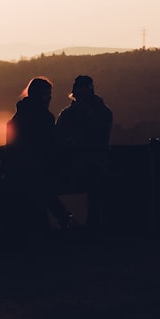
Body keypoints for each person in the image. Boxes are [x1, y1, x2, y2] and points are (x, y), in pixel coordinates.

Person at [0, 77, 75, 229]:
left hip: (17, 170)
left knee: (38, 189)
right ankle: (63, 217)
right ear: (41, 95)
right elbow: (50, 147)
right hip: (36, 170)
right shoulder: (44, 118)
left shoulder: (18, 116)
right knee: (42, 186)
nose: (50, 98)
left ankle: (61, 217)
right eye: (48, 94)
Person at [53, 75, 114, 226]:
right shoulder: (69, 115)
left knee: (95, 176)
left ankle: (84, 221)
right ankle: (85, 222)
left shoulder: (99, 114)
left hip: (91, 162)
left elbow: (98, 137)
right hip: (79, 162)